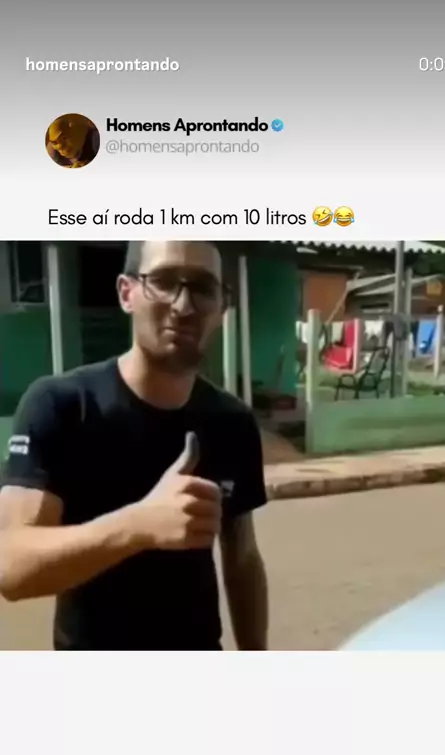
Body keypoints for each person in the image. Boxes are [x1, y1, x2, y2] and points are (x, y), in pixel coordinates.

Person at [0, 241, 269, 651]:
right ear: (127, 293)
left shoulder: (233, 422)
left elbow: (243, 557)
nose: (183, 305)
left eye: (202, 287)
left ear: (222, 307)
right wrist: (140, 525)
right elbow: (11, 566)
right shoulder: (63, 406)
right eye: (163, 281)